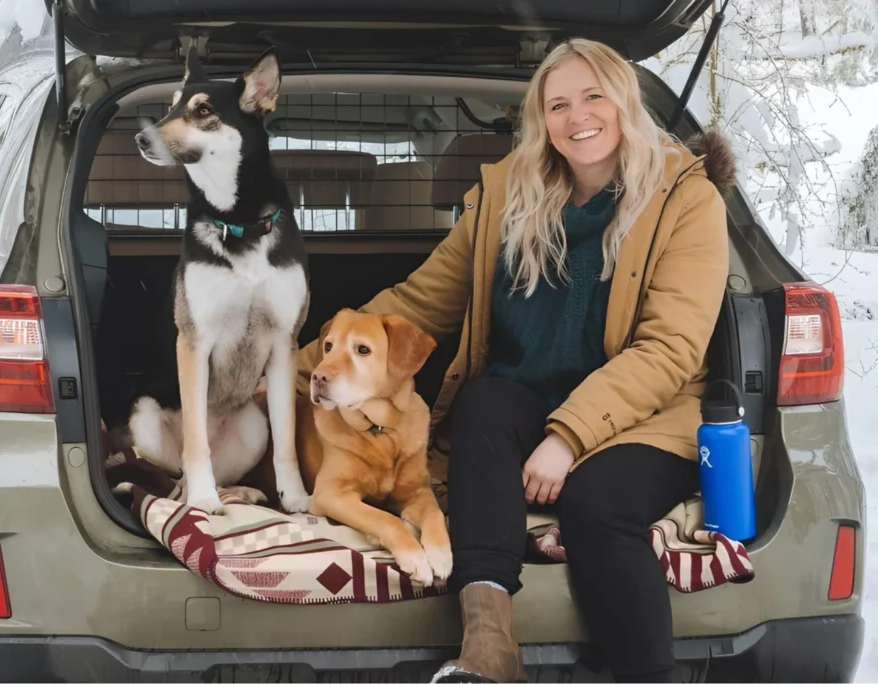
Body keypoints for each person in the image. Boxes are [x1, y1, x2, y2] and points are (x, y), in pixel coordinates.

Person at [295, 38, 736, 684]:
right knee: (482, 405)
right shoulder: (507, 199)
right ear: (541, 121)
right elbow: (415, 305)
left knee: (595, 501)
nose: (577, 116)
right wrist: (298, 367)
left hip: (648, 413)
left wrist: (567, 437)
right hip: (529, 399)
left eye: (593, 96)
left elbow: (668, 351)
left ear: (624, 100)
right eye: (557, 104)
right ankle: (490, 650)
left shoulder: (686, 201)